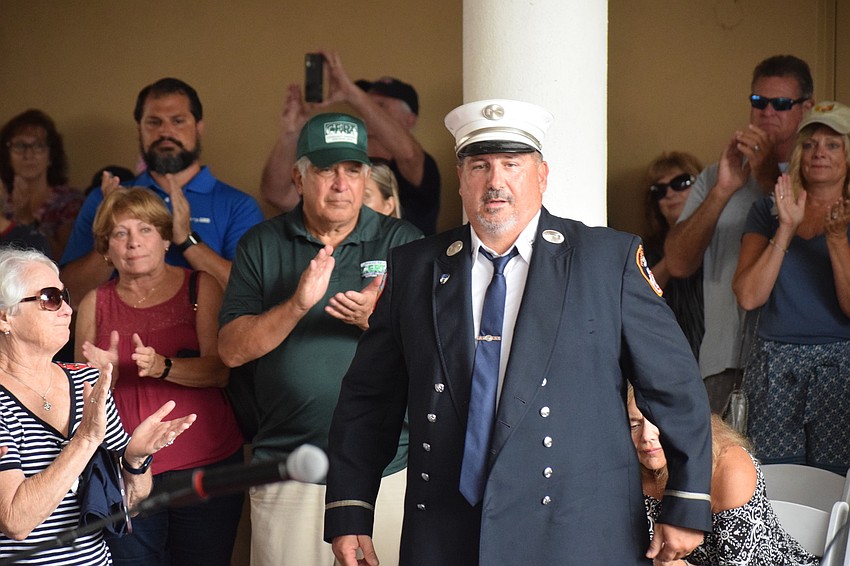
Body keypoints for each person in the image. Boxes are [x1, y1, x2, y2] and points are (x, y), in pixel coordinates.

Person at [323, 99, 712, 565]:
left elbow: (675, 386)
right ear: (462, 177)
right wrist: (350, 509)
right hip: (447, 532)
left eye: (512, 164)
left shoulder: (607, 261)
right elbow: (368, 399)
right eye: (481, 166)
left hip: (577, 532)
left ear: (542, 175)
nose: (496, 182)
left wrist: (688, 500)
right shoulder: (414, 267)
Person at [218, 112, 422, 566]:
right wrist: (296, 304)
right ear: (298, 177)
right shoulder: (262, 243)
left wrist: (379, 320)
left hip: (387, 465)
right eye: (326, 170)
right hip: (289, 465)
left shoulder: (403, 241)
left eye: (353, 170)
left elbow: (440, 351)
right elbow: (230, 351)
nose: (340, 183)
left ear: (367, 175)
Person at [74, 188, 245, 565]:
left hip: (205, 462)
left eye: (146, 229)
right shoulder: (93, 302)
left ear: (167, 238)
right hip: (123, 468)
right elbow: (79, 401)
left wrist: (162, 366)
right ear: (106, 248)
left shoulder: (200, 286)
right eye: (120, 233)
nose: (133, 242)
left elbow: (220, 371)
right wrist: (104, 378)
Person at [0, 248, 195, 564]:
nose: (67, 310)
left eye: (65, 297)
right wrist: (85, 440)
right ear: (4, 316)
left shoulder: (85, 382)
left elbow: (130, 499)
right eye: (50, 298)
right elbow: (16, 521)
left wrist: (137, 458)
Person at [664, 55, 814, 414]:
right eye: (758, 102)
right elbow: (678, 263)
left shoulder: (819, 175)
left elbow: (808, 242)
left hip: (795, 357)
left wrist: (766, 176)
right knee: (721, 468)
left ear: (805, 109)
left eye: (781, 104)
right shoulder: (719, 173)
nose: (767, 113)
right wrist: (723, 189)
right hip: (723, 358)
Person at [60, 77, 264, 307]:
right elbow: (70, 297)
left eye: (178, 121)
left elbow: (250, 297)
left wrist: (188, 240)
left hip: (206, 339)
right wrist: (112, 228)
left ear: (199, 127)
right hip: (119, 338)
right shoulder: (105, 198)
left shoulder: (239, 206)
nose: (165, 132)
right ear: (140, 129)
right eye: (154, 122)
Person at [732, 101, 850, 474]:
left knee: (835, 489)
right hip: (774, 367)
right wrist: (785, 227)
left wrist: (835, 238)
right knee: (773, 484)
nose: (820, 153)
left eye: (832, 145)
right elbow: (749, 295)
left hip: (841, 368)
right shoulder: (767, 211)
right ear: (799, 153)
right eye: (811, 144)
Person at [627, 385, 818, 565]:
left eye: (660, 422)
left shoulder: (729, 468)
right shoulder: (622, 471)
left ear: (686, 421)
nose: (647, 436)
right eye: (634, 425)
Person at [260, 50, 441, 234]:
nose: (366, 112)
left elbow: (409, 155)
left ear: (409, 120)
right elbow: (278, 195)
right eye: (365, 104)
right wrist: (291, 133)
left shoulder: (419, 165)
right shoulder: (336, 167)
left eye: (380, 106)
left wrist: (351, 94)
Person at [642, 151, 705, 359]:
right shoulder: (644, 251)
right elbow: (640, 295)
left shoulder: (721, 241)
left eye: (681, 182)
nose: (670, 193)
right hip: (672, 359)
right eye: (659, 190)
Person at [0, 109, 84, 260]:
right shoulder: (2, 198)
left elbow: (65, 260)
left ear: (51, 155)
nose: (28, 155)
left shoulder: (69, 201)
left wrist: (28, 221)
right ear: (7, 155)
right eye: (19, 146)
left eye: (38, 146)